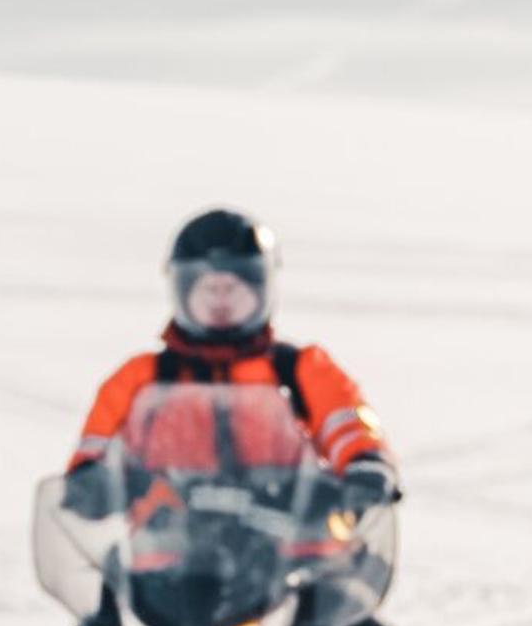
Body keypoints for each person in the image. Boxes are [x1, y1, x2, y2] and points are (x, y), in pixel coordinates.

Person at [68, 210, 397, 501]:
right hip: (167, 551)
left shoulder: (299, 368)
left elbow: (345, 422)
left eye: (233, 288)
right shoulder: (141, 377)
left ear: (261, 290)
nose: (220, 300)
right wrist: (89, 483)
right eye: (208, 288)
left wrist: (365, 462)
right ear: (183, 291)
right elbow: (94, 449)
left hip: (293, 550)